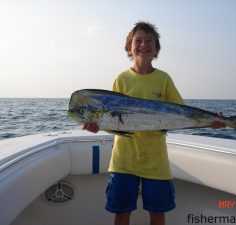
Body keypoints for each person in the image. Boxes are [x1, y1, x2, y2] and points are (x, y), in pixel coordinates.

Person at [84, 21, 225, 225]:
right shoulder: (121, 79)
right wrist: (96, 124)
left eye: (149, 40)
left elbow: (181, 113)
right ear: (129, 47)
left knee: (158, 214)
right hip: (124, 161)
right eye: (138, 40)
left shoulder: (163, 79)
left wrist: (211, 119)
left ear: (156, 48)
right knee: (122, 213)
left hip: (156, 161)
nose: (143, 44)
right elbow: (114, 120)